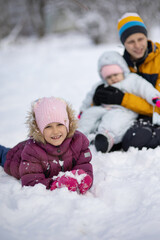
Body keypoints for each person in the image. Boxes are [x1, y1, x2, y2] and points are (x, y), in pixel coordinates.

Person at [92, 12, 160, 151]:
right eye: (130, 41)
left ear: (146, 37)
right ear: (124, 43)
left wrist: (122, 99)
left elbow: (157, 106)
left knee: (133, 139)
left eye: (140, 39)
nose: (137, 46)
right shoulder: (121, 65)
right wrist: (98, 97)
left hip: (154, 115)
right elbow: (108, 84)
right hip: (132, 114)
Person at [0, 97, 93, 194]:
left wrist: (82, 177)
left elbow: (84, 165)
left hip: (35, 144)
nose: (55, 131)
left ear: (68, 124)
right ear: (39, 129)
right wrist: (55, 184)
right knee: (3, 154)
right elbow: (32, 182)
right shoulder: (32, 151)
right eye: (48, 126)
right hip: (16, 157)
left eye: (60, 125)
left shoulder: (78, 141)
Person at [78, 50, 160, 153]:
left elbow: (144, 88)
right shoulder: (101, 85)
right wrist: (83, 111)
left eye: (115, 74)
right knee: (89, 115)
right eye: (109, 77)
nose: (113, 78)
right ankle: (79, 135)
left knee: (114, 121)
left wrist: (155, 98)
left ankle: (106, 138)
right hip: (103, 108)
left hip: (123, 110)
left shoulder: (131, 80)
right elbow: (89, 97)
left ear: (122, 70)